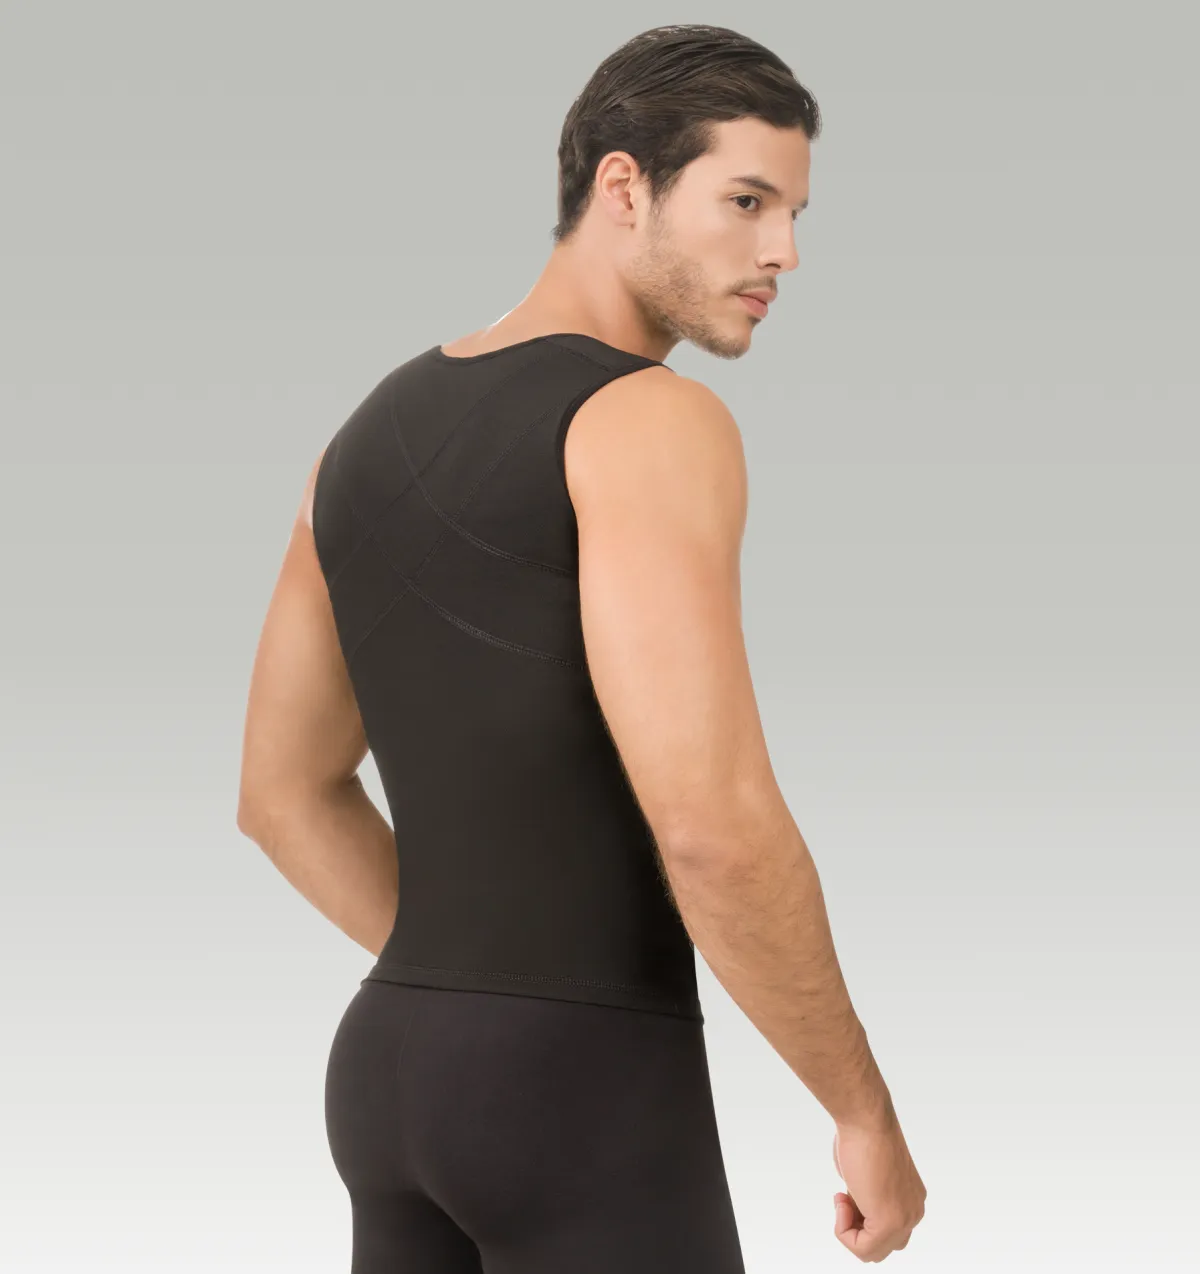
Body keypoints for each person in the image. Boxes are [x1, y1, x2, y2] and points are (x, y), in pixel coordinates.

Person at [237, 22, 925, 1271]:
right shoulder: (647, 418)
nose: (784, 250)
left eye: (794, 213)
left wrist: (470, 982)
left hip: (387, 1077)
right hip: (576, 1090)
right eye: (747, 201)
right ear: (624, 186)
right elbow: (711, 825)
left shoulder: (359, 439)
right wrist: (862, 1109)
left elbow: (280, 793)